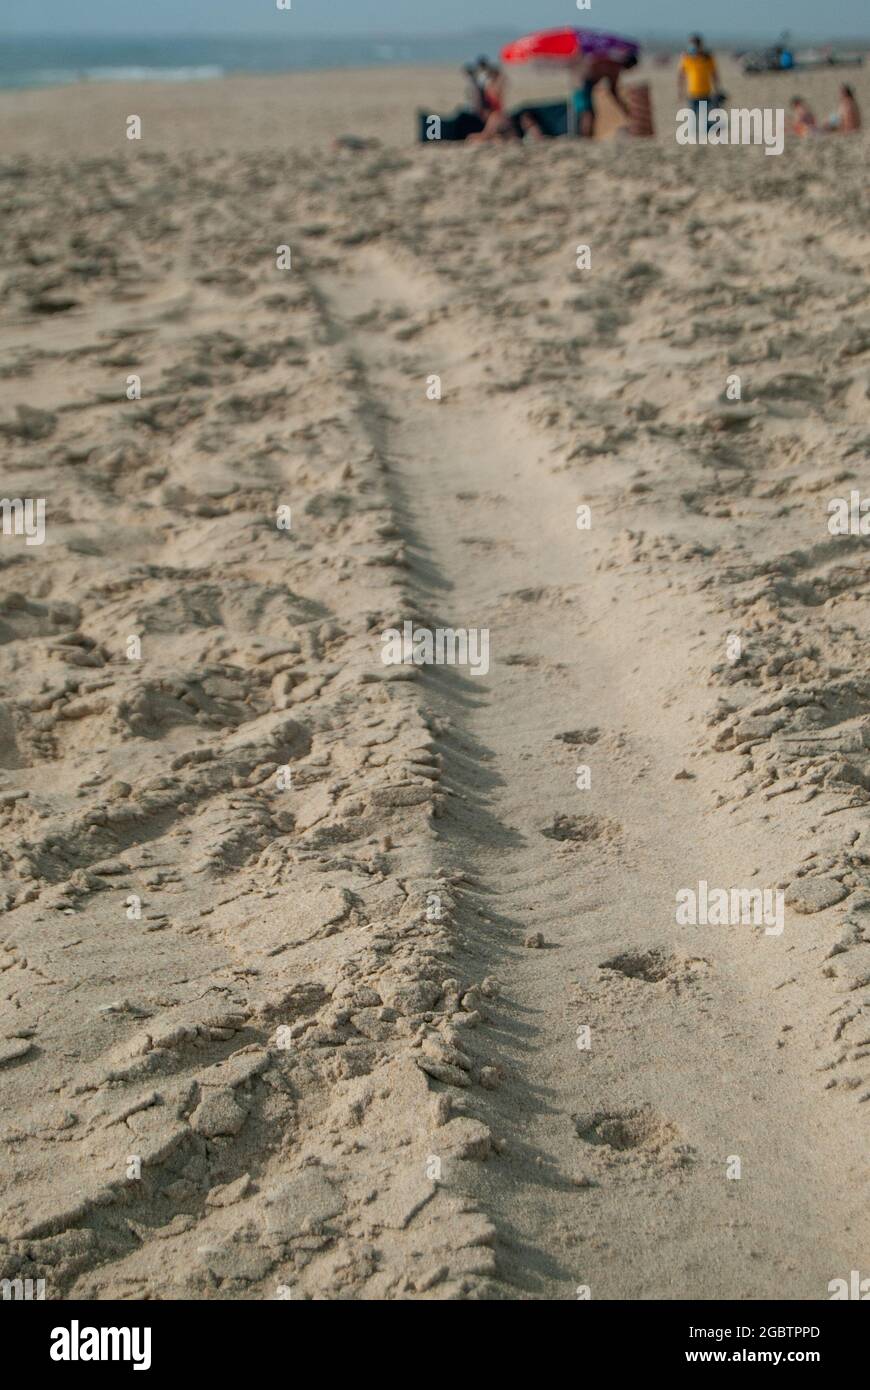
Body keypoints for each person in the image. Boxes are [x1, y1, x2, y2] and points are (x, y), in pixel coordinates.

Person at [570, 49, 637, 137]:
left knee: (587, 113)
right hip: (583, 84)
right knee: (588, 113)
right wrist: (623, 108)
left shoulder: (610, 61)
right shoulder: (614, 68)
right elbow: (613, 91)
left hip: (582, 82)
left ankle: (587, 137)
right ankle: (586, 138)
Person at [678, 34, 720, 129]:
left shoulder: (707, 58)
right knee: (693, 116)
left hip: (705, 92)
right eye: (692, 44)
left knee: (704, 117)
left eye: (696, 44)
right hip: (692, 92)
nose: (694, 46)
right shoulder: (686, 57)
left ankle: (708, 129)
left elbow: (714, 74)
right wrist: (680, 90)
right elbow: (681, 75)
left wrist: (717, 88)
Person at [466, 64, 515, 143]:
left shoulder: (493, 89)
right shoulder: (491, 88)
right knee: (494, 136)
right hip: (496, 116)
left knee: (483, 136)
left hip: (496, 116)